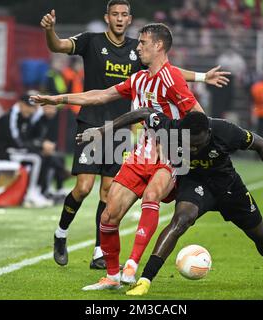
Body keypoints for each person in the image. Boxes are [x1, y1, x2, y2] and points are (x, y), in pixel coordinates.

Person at [32, 22, 230, 290]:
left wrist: (189, 148)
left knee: (151, 197)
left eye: (142, 43)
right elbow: (101, 95)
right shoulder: (139, 79)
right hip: (140, 155)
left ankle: (132, 266)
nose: (137, 48)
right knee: (108, 215)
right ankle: (112, 276)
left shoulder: (172, 79)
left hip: (169, 154)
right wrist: (58, 99)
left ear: (158, 46)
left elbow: (198, 118)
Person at [82, 108, 263, 295]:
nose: (193, 148)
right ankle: (145, 280)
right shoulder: (171, 127)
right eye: (189, 144)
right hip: (194, 182)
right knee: (180, 221)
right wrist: (105, 129)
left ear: (209, 134)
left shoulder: (225, 131)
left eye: (199, 144)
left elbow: (261, 144)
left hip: (228, 185)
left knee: (259, 233)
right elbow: (142, 113)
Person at [0, 91, 53, 208]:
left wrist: (39, 145)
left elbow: (25, 140)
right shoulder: (10, 117)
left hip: (13, 151)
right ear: (20, 104)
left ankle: (37, 191)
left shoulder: (24, 117)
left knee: (42, 156)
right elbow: (16, 141)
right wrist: (38, 145)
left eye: (33, 108)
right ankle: (31, 193)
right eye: (28, 107)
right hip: (3, 153)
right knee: (36, 158)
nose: (31, 110)